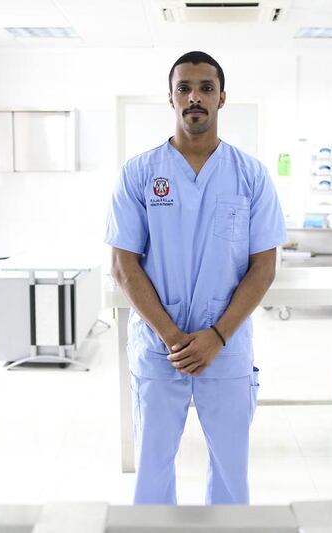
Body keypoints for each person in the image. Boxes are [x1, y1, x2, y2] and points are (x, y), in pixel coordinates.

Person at [105, 50, 286, 505]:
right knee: (152, 469)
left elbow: (263, 266)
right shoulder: (140, 174)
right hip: (158, 348)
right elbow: (123, 266)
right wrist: (172, 338)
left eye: (206, 88)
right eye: (184, 88)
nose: (194, 97)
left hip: (225, 348)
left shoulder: (251, 176)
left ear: (222, 98)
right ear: (170, 97)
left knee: (230, 469)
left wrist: (217, 337)